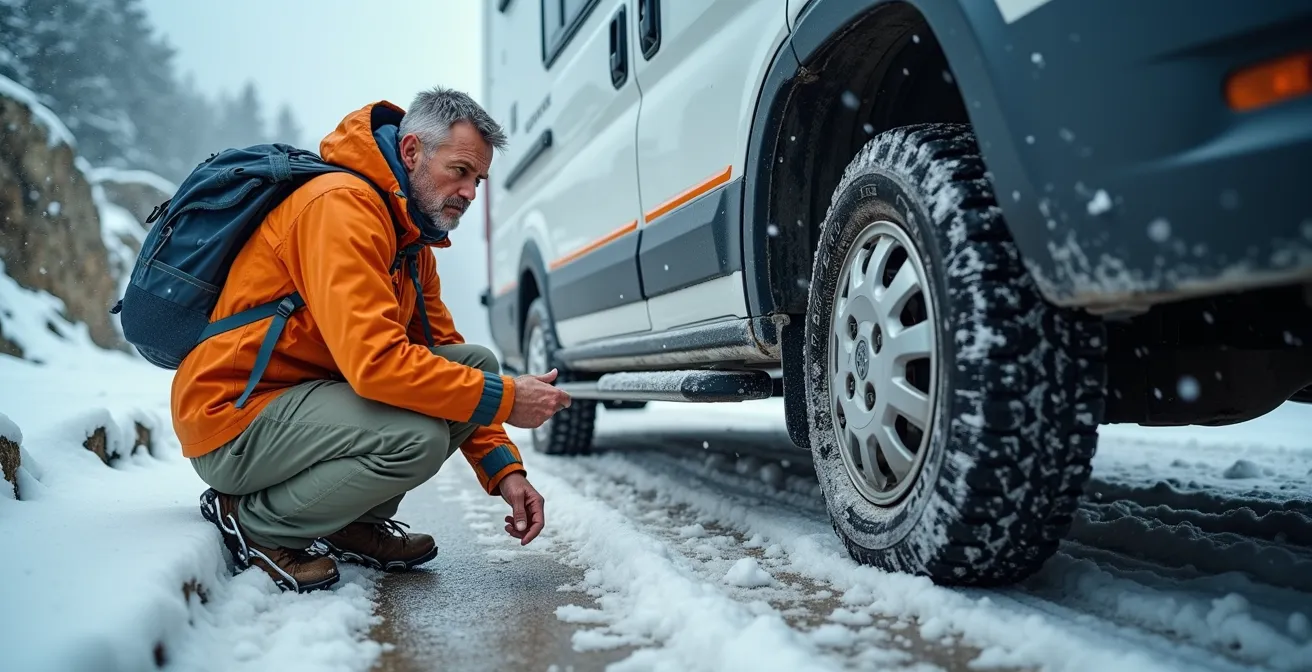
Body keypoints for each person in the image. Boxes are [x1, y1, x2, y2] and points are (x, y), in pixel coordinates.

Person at [173, 88, 571, 593]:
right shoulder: (341, 209)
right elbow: (375, 365)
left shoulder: (409, 242)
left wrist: (505, 472)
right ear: (411, 152)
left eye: (479, 179)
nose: (471, 192)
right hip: (234, 415)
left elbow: (454, 361)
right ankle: (256, 522)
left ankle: (346, 521)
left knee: (475, 361)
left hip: (300, 405)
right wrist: (510, 399)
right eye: (460, 170)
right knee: (414, 439)